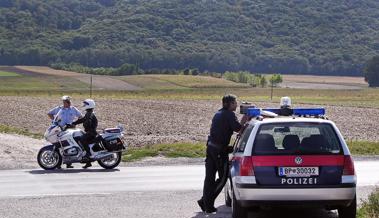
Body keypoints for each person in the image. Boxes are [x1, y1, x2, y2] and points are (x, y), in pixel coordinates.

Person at [198, 94, 250, 213]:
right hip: (219, 151)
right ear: (229, 104)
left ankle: (205, 202)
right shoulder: (229, 114)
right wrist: (244, 120)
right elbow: (238, 129)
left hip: (211, 148)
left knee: (209, 178)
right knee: (222, 178)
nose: (236, 105)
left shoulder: (218, 113)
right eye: (235, 103)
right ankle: (206, 203)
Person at [48, 95, 82, 169]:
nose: (69, 103)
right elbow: (49, 113)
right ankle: (58, 163)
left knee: (69, 145)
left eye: (69, 101)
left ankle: (69, 163)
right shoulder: (59, 109)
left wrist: (74, 123)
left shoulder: (73, 109)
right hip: (60, 130)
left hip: (70, 129)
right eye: (67, 102)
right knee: (59, 146)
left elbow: (80, 116)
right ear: (63, 102)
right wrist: (55, 121)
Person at [72, 99, 98, 169]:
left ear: (89, 105)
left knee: (82, 139)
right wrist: (73, 123)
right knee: (80, 139)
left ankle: (88, 154)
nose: (84, 106)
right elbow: (82, 120)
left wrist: (87, 122)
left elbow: (88, 120)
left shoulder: (90, 114)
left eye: (85, 104)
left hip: (91, 132)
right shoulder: (88, 113)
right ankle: (88, 162)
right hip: (89, 132)